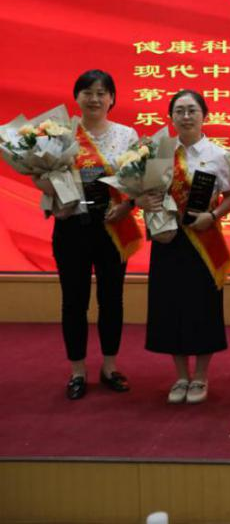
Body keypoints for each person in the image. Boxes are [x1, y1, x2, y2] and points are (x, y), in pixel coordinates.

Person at [39, 69, 142, 400]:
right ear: (77, 97)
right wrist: (53, 198)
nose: (94, 98)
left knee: (112, 299)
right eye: (87, 92)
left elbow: (139, 182)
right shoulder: (60, 135)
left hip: (113, 227)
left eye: (101, 93)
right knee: (74, 301)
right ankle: (77, 371)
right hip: (72, 227)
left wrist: (128, 206)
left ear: (112, 98)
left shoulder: (127, 135)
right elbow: (43, 177)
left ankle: (110, 366)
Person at [138, 90, 230, 405]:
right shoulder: (159, 153)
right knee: (170, 307)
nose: (185, 116)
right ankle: (181, 376)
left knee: (203, 307)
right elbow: (145, 193)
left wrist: (214, 215)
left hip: (204, 238)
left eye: (192, 110)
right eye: (179, 111)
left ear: (204, 115)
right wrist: (144, 200)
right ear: (171, 117)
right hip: (168, 238)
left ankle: (201, 376)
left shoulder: (218, 154)